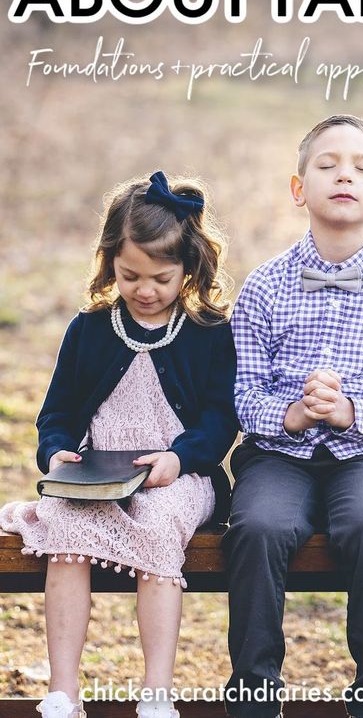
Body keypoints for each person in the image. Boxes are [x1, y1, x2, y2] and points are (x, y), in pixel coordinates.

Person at [223, 115, 363, 718]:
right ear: (299, 189)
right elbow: (242, 394)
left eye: (362, 168)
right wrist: (291, 414)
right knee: (259, 528)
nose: (345, 174)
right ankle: (255, 691)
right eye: (327, 164)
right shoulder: (264, 286)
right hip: (279, 453)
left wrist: (351, 412)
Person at [0, 170, 238, 718]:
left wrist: (179, 457)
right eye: (130, 275)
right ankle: (63, 689)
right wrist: (56, 451)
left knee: (157, 526)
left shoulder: (206, 331)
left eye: (161, 276)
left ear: (190, 269)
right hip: (98, 476)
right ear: (110, 261)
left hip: (181, 477)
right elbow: (56, 412)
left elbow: (220, 418)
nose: (146, 289)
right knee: (63, 526)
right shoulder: (90, 328)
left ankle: (156, 692)